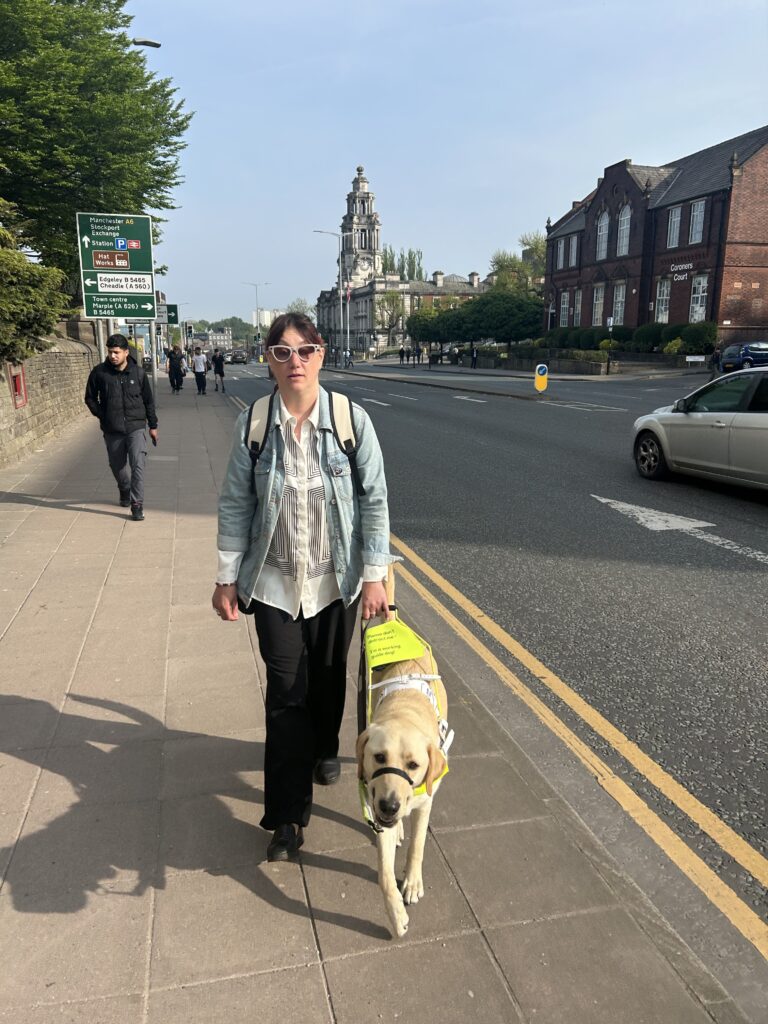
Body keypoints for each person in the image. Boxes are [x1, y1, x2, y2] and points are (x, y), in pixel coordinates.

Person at [212, 312, 395, 862]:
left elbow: (375, 500)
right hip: (272, 584)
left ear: (321, 353)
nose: (295, 362)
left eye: (306, 350)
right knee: (286, 693)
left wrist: (374, 577)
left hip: (336, 582)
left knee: (329, 675)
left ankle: (325, 747)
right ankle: (288, 816)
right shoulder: (254, 424)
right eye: (282, 352)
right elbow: (235, 503)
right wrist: (226, 577)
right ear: (268, 358)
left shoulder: (349, 421)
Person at [84, 333, 158, 521]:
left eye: (116, 352)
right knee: (117, 467)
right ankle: (124, 488)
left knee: (138, 464)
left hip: (136, 426)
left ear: (126, 352)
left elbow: (148, 401)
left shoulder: (139, 373)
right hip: (112, 429)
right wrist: (103, 415)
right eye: (110, 352)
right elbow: (90, 398)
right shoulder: (99, 372)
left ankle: (137, 504)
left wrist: (153, 425)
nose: (113, 356)